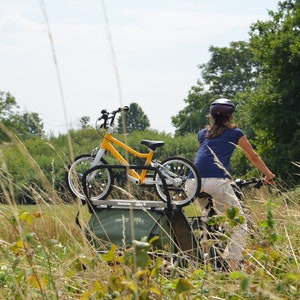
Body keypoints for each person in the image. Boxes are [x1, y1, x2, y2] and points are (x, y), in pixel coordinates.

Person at [193, 98, 275, 271]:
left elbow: (205, 159)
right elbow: (253, 156)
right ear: (230, 116)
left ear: (212, 116)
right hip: (217, 183)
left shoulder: (202, 134)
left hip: (193, 182)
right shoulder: (235, 133)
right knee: (240, 226)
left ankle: (205, 262)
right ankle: (232, 264)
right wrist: (268, 174)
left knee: (206, 220)